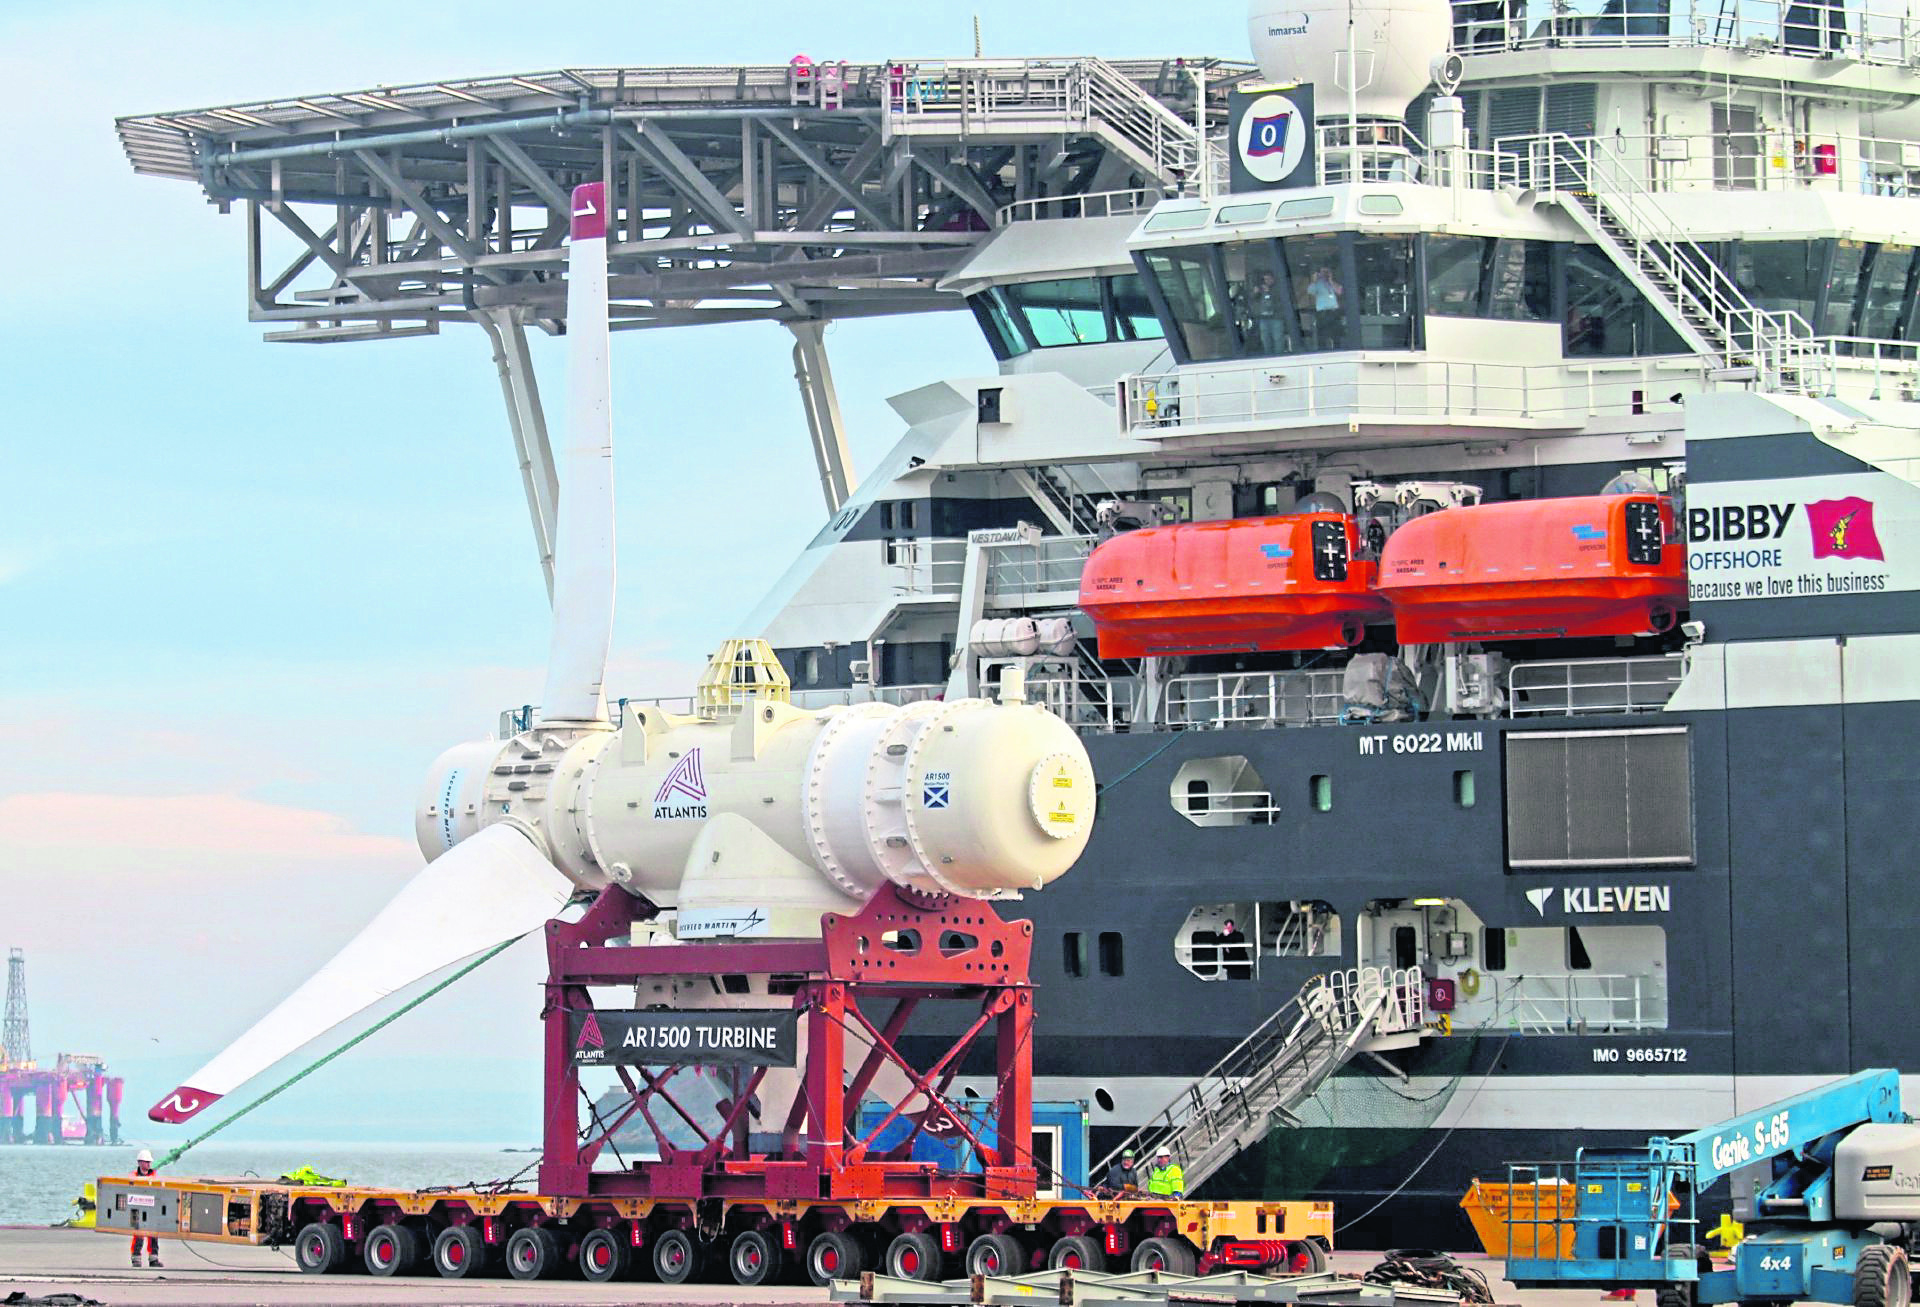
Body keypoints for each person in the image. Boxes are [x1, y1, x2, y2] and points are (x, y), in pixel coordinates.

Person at [130, 1149, 161, 1268]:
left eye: (149, 1162)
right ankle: (136, 1258)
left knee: (153, 1233)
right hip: (136, 1208)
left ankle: (154, 1258)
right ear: (140, 1162)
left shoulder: (153, 1175)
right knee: (138, 1234)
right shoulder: (133, 1175)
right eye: (146, 1162)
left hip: (150, 1208)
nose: (149, 1164)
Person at [1306, 266, 1345, 349]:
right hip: (1323, 313)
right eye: (1323, 272)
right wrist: (1314, 280)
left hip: (1334, 311)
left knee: (1336, 334)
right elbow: (1310, 291)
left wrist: (1331, 280)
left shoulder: (1333, 283)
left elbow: (1339, 291)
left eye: (1327, 272)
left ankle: (1337, 350)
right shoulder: (1317, 284)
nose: (1325, 274)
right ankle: (1322, 350)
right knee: (1322, 335)